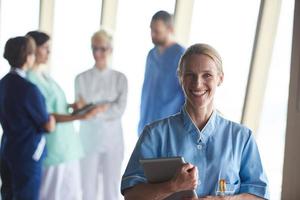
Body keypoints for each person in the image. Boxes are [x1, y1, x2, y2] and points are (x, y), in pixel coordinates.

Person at [121, 44, 269, 199]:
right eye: (190, 75)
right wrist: (172, 186)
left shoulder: (242, 138)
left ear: (220, 78)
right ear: (180, 78)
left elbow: (259, 195)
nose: (198, 83)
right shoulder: (154, 135)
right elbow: (131, 195)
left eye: (207, 75)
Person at [26, 31, 98, 200]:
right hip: (53, 147)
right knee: (52, 195)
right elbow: (44, 114)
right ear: (33, 49)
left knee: (70, 194)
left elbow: (54, 105)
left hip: (67, 147)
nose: (49, 52)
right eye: (45, 48)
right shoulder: (30, 80)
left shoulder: (44, 76)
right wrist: (78, 117)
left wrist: (72, 107)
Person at [0, 36, 55, 200]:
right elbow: (47, 125)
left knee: (7, 195)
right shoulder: (29, 89)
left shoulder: (3, 84)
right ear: (28, 56)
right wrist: (51, 118)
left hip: (7, 150)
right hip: (27, 154)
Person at [75, 30, 127, 200]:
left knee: (111, 187)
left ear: (110, 49)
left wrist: (94, 109)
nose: (97, 53)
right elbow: (82, 111)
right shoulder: (81, 78)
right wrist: (104, 107)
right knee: (87, 186)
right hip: (88, 140)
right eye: (94, 48)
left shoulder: (120, 79)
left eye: (102, 49)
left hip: (113, 141)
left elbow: (119, 109)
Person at [138, 10, 185, 135]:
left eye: (157, 31)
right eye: (151, 30)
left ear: (169, 29)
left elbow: (187, 96)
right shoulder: (151, 55)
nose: (152, 35)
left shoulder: (181, 55)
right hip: (146, 124)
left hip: (168, 128)